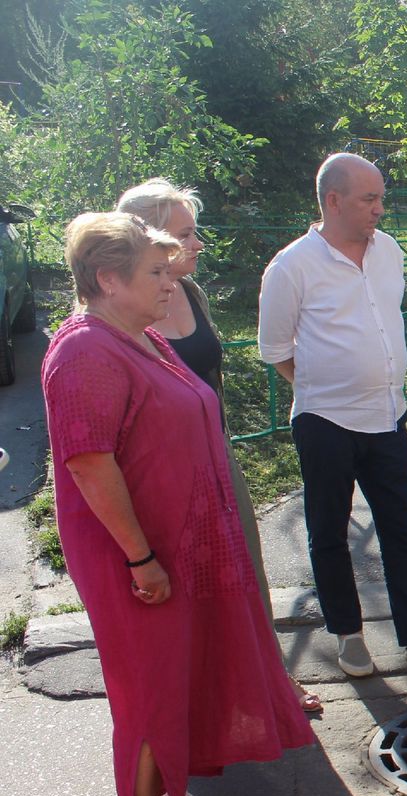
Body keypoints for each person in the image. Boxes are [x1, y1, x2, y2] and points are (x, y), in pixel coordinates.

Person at [43, 212, 315, 796]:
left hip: (177, 547)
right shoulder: (84, 352)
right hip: (137, 560)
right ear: (107, 279)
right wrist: (141, 556)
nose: (172, 283)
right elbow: (89, 464)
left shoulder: (140, 336)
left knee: (177, 678)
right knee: (149, 693)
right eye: (156, 273)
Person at [259, 153, 407, 678]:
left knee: (402, 530)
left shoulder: (387, 253)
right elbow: (274, 348)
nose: (382, 208)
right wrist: (322, 386)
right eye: (370, 199)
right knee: (329, 532)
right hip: (325, 422)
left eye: (381, 196)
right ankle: (349, 635)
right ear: (333, 201)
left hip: (389, 416)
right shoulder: (291, 266)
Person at [115, 178, 321, 715]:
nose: (198, 243)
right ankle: (203, 704)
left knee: (244, 574)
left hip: (217, 456)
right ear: (146, 240)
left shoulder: (190, 292)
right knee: (188, 590)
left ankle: (268, 682)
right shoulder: (125, 313)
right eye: (185, 234)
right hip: (165, 474)